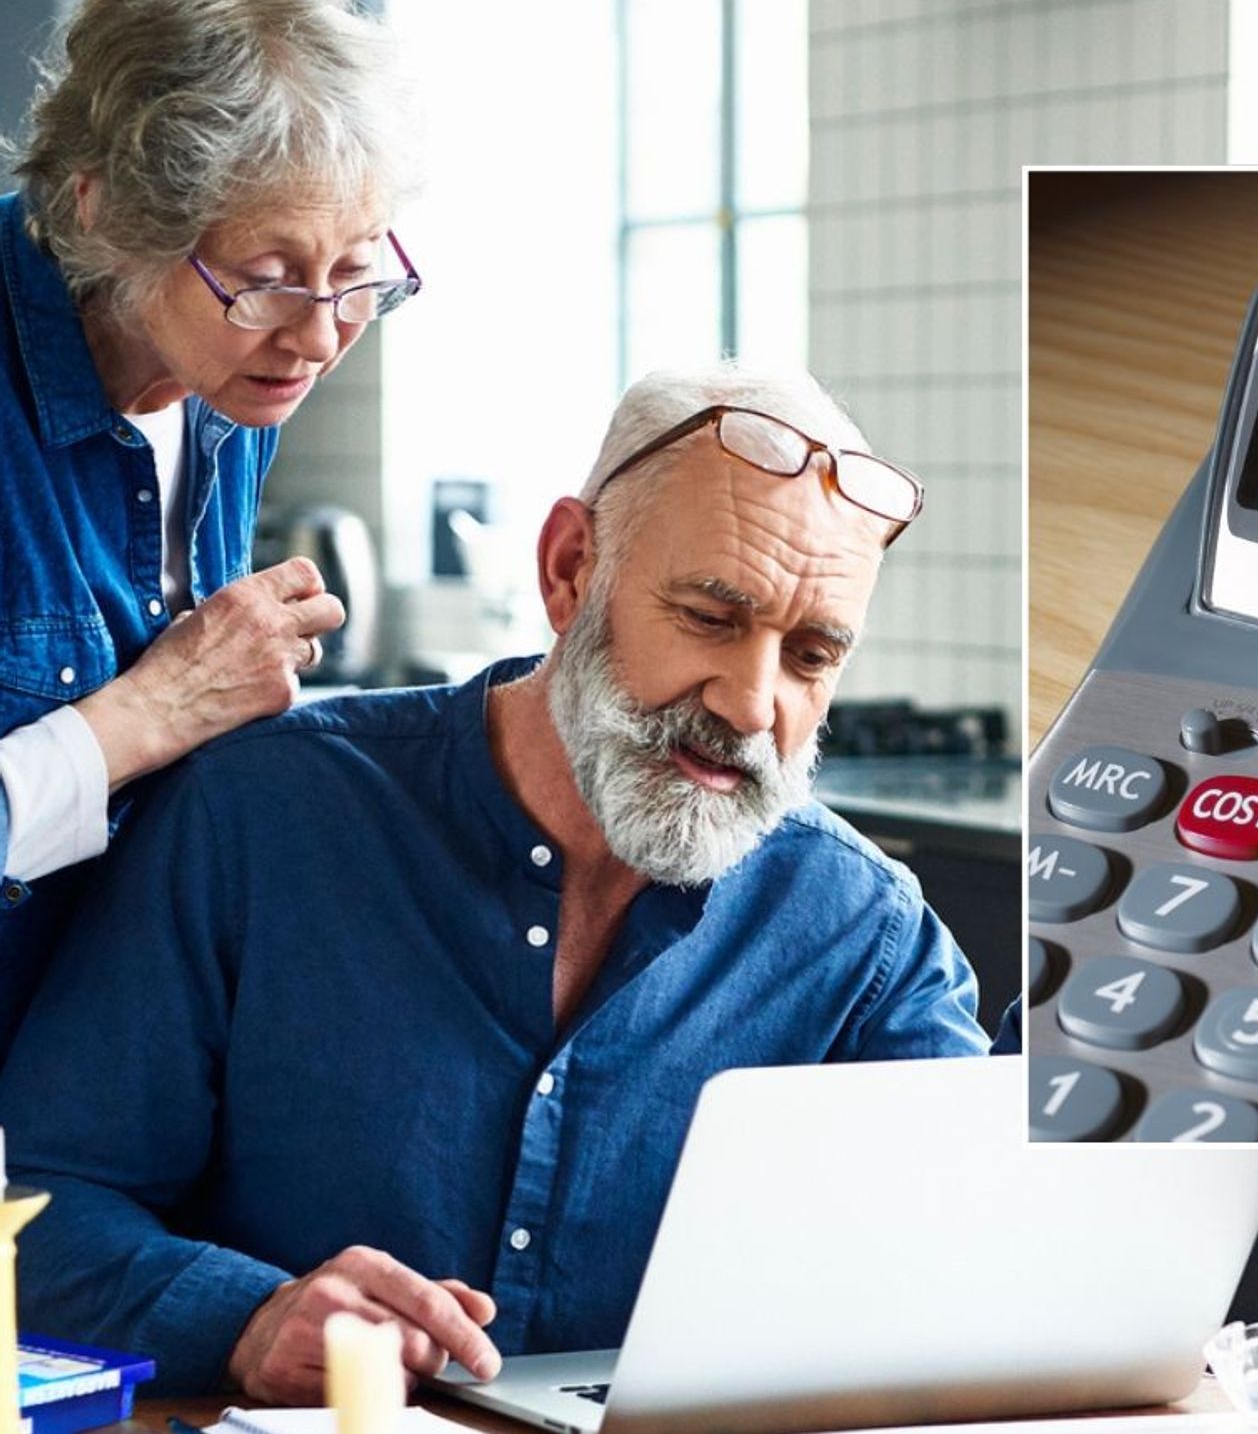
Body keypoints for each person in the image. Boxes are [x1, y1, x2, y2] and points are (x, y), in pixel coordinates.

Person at [0, 366, 988, 1400]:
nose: (750, 703)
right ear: (570, 570)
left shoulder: (860, 930)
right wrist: (246, 1316)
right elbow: (41, 1204)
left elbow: (983, 1249)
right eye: (708, 616)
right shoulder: (257, 812)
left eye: (811, 656)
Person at [0, 0, 422, 1058]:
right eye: (269, 281)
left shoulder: (227, 377)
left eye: (356, 275)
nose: (319, 338)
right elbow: (156, 717)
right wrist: (155, 711)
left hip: (91, 1074)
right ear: (106, 215)